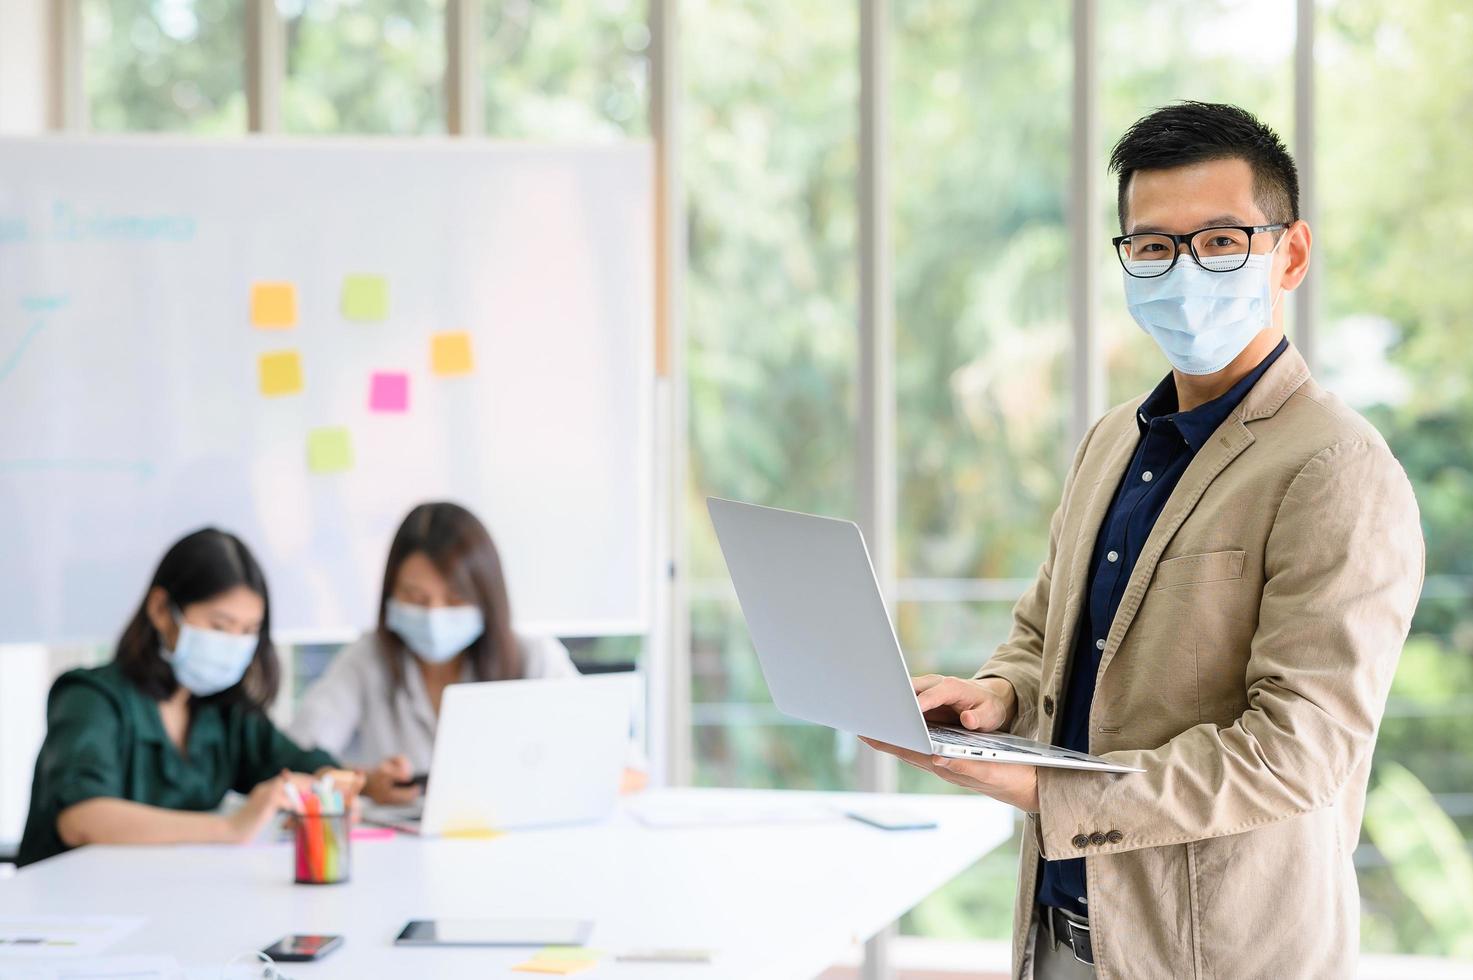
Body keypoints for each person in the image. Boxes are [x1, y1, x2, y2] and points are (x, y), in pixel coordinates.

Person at [861, 102, 1424, 979]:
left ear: (1292, 253)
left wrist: (1052, 792)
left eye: (1221, 241)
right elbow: (1043, 637)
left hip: (1216, 954)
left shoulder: (1336, 467)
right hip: (1061, 931)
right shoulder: (1111, 440)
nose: (1184, 270)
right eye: (1154, 247)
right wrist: (994, 699)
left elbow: (1297, 750)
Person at [18, 529, 362, 867]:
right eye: (219, 626)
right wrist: (228, 828)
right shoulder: (91, 698)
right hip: (75, 909)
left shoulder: (223, 709)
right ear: (161, 610)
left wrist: (330, 788)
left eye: (248, 631)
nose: (234, 644)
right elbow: (82, 819)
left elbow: (295, 761)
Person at [290, 501, 644, 806]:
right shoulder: (367, 660)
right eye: (415, 597)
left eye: (456, 599)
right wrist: (366, 784)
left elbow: (630, 771)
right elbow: (293, 759)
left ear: (485, 598)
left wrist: (541, 788)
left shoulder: (533, 657)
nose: (434, 615)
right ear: (390, 594)